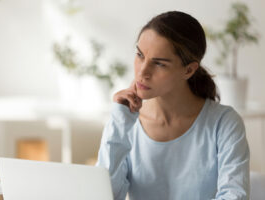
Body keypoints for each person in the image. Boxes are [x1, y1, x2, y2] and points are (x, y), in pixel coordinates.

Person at [96, 11, 250, 200]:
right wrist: (119, 121)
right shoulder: (125, 121)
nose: (142, 72)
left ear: (188, 70)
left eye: (159, 64)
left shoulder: (224, 123)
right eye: (139, 55)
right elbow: (106, 196)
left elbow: (235, 196)